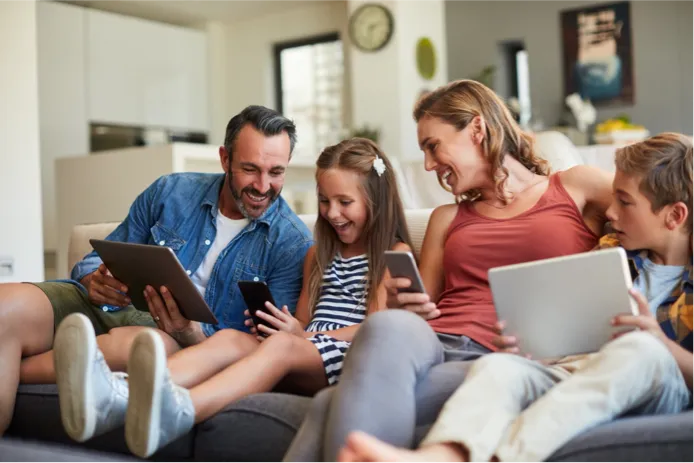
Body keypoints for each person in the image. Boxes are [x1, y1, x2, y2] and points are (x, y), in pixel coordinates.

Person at [283, 79, 615, 463]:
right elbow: (425, 305)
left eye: (432, 146)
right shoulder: (447, 218)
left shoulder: (576, 186)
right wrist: (402, 304)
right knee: (387, 325)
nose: (428, 164)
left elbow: (657, 206)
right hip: (433, 342)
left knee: (329, 404)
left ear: (476, 129)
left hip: (500, 353)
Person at [336, 133, 694, 463]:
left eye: (625, 202)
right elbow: (573, 325)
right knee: (499, 367)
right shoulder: (612, 251)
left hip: (657, 380)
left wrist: (660, 343)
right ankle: (440, 456)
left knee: (641, 351)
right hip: (572, 368)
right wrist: (531, 341)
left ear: (675, 216)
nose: (610, 212)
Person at [53, 138, 414, 458]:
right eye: (324, 201)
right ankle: (122, 393)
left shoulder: (391, 255)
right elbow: (303, 321)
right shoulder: (316, 256)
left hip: (348, 357)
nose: (331, 213)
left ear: (376, 201)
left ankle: (180, 411)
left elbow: (376, 330)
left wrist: (301, 338)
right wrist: (291, 327)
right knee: (232, 339)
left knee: (280, 347)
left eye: (344, 202)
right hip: (304, 352)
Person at [0, 105, 313, 436]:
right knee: (7, 305)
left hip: (173, 341)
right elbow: (95, 258)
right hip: (105, 306)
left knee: (143, 346)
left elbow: (257, 352)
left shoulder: (291, 244)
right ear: (225, 159)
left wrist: (189, 332)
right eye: (250, 169)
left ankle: (24, 367)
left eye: (276, 172)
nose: (263, 185)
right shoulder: (171, 192)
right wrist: (94, 279)